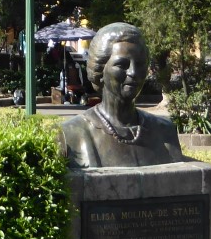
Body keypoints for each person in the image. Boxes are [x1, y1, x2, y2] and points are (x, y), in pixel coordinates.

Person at [59, 23, 185, 169]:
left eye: (139, 64)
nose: (133, 72)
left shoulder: (164, 131)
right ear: (99, 70)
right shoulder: (72, 133)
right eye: (122, 65)